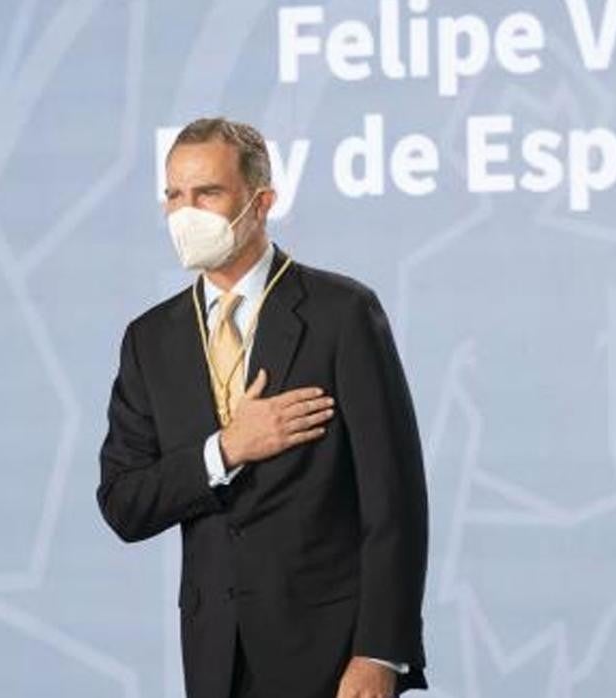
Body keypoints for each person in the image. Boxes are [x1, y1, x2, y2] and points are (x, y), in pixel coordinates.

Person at [98, 119, 429, 698]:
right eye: (174, 194)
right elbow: (124, 502)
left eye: (207, 193)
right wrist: (224, 450)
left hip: (332, 655)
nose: (185, 211)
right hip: (215, 657)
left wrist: (380, 652)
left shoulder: (341, 313)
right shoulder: (150, 340)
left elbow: (394, 500)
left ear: (262, 201)